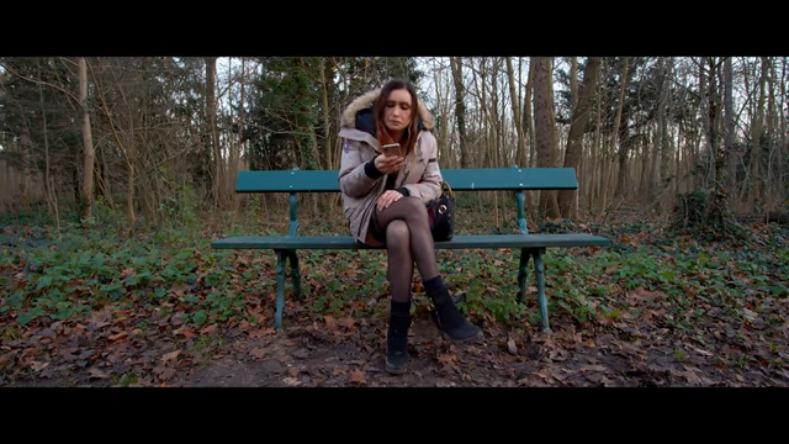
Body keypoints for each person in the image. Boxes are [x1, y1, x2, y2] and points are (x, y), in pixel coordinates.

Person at [338, 79, 482, 375]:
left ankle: (397, 334)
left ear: (412, 112)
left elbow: (434, 184)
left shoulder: (425, 140)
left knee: (399, 231)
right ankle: (442, 302)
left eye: (404, 107)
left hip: (404, 223)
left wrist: (404, 192)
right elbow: (348, 186)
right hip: (366, 216)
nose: (396, 113)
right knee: (413, 209)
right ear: (380, 108)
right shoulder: (357, 135)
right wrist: (372, 169)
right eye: (390, 105)